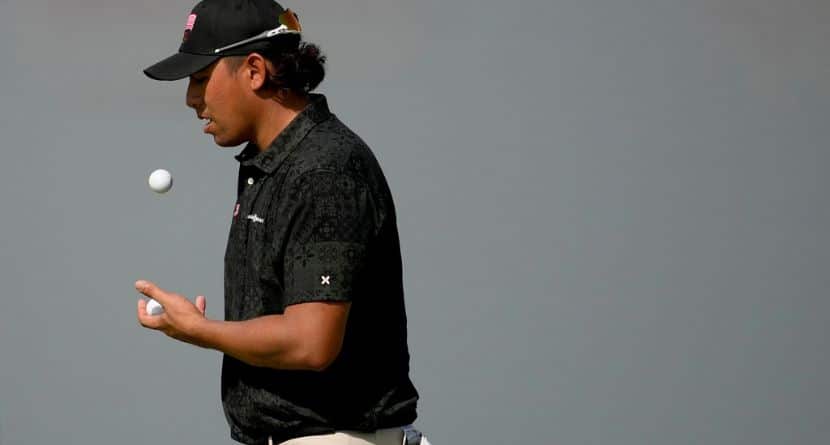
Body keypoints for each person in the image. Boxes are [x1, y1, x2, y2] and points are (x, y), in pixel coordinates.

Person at [136, 1, 423, 444]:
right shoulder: (273, 164)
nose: (191, 100)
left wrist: (201, 330)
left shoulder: (324, 171)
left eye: (199, 79)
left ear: (254, 70)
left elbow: (312, 342)